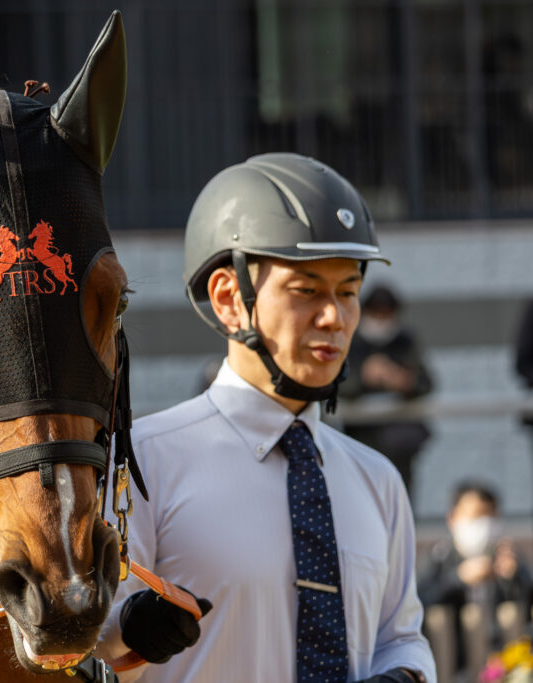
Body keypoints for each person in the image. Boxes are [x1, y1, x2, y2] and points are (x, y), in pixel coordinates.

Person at [97, 153, 435, 682]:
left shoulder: (379, 481)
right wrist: (127, 635)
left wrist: (406, 674)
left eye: (349, 292)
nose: (336, 317)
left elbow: (403, 637)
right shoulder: (140, 464)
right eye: (307, 291)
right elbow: (84, 651)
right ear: (229, 299)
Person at [418, 482, 533, 676]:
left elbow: (527, 603)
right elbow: (421, 600)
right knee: (459, 616)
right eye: (475, 516)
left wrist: (511, 579)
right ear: (452, 518)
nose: (483, 524)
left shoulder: (507, 555)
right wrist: (459, 578)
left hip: (500, 654)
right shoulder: (441, 556)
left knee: (510, 612)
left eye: (489, 516)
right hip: (454, 658)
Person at [340, 283, 433, 491]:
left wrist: (403, 382)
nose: (382, 320)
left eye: (387, 314)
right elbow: (335, 386)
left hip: (401, 440)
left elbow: (426, 383)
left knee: (400, 493)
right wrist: (364, 377)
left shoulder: (405, 340)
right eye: (376, 313)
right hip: (361, 438)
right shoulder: (350, 340)